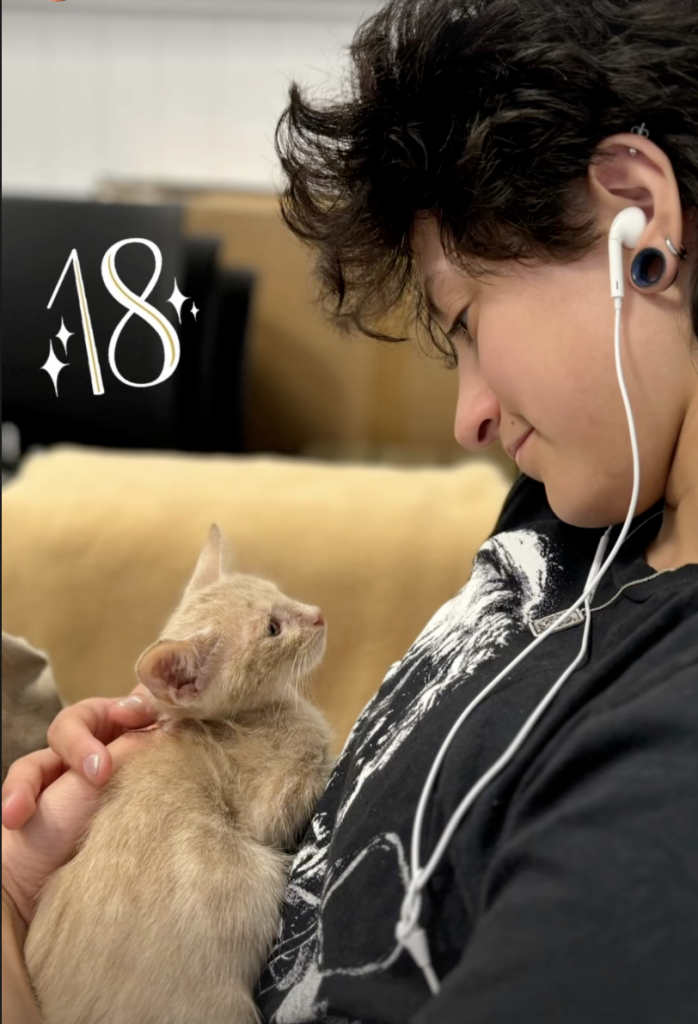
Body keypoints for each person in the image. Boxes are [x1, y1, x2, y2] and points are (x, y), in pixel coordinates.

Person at [3, 0, 698, 1020]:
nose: (467, 417)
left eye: (461, 320)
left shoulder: (666, 772)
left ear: (637, 221)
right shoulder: (579, 510)